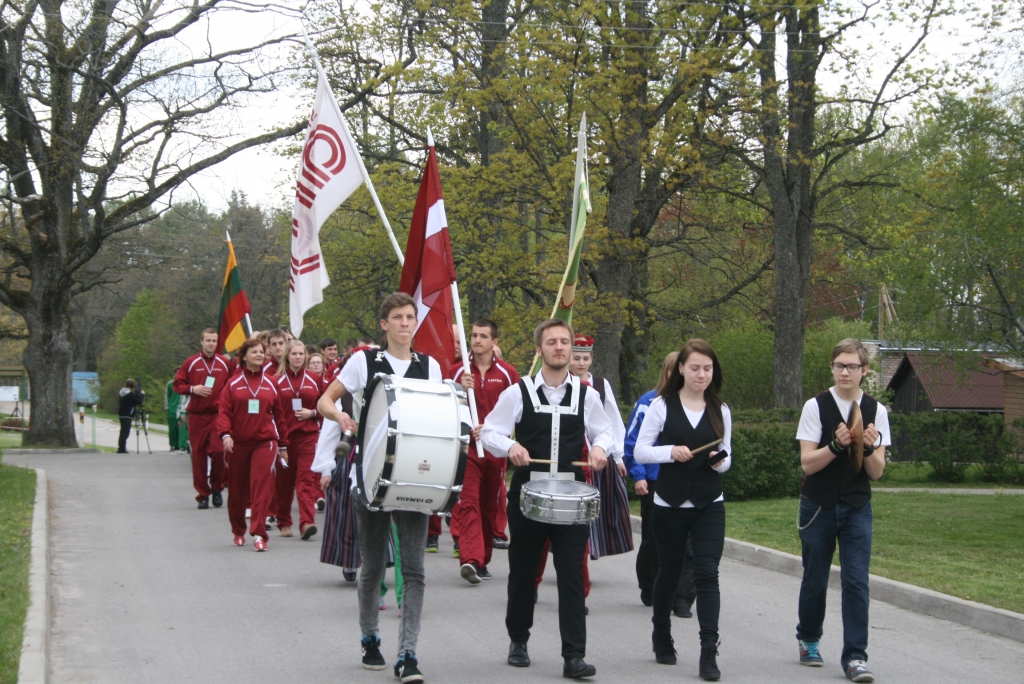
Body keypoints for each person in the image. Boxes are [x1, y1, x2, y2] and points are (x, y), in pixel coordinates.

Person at [316, 292, 448, 684]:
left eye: (410, 317)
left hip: (416, 477)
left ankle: (408, 653)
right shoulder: (364, 362)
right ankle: (369, 636)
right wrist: (339, 414)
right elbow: (325, 399)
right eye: (397, 317)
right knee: (373, 566)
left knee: (415, 568)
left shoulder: (431, 368)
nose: (406, 324)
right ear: (384, 324)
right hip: (369, 476)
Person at [480, 319, 614, 680]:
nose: (559, 348)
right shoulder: (518, 392)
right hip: (528, 497)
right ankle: (518, 639)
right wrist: (510, 445)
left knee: (571, 574)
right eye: (552, 342)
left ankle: (574, 656)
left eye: (565, 342)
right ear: (539, 350)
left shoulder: (587, 395)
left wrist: (601, 447)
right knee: (523, 573)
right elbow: (489, 431)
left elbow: (605, 430)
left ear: (572, 350)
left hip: (572, 499)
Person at [635, 338, 732, 681]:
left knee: (707, 574)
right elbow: (642, 451)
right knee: (670, 571)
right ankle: (661, 634)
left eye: (707, 369)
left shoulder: (721, 410)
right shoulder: (661, 405)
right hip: (669, 503)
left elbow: (726, 456)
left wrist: (720, 462)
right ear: (681, 369)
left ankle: (709, 651)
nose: (701, 375)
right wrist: (670, 452)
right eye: (695, 368)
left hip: (709, 503)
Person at [795, 338, 890, 683]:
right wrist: (836, 445)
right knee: (815, 577)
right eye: (839, 365)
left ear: (865, 371)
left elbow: (877, 471)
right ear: (832, 368)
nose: (845, 372)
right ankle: (808, 639)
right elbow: (807, 463)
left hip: (856, 507)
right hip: (818, 506)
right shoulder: (815, 406)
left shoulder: (876, 410)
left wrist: (868, 446)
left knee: (855, 582)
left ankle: (855, 657)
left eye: (852, 366)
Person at [448, 319, 520, 583]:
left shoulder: (508, 374)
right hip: (466, 449)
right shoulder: (457, 371)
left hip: (495, 449)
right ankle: (470, 559)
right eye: (474, 336)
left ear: (494, 342)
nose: (477, 340)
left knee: (490, 505)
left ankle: (484, 559)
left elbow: (518, 411)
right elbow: (445, 407)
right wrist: (458, 389)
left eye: (482, 336)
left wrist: (495, 432)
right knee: (468, 503)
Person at [624, 351, 696, 616]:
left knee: (688, 541)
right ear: (666, 373)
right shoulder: (648, 402)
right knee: (655, 539)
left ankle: (683, 597)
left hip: (689, 482)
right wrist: (639, 474)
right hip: (655, 481)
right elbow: (632, 442)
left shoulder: (698, 404)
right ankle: (650, 585)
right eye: (671, 373)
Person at [216, 338, 288, 550]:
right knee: (237, 490)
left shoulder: (272, 383)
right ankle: (238, 530)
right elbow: (224, 413)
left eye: (261, 352)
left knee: (261, 487)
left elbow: (280, 417)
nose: (259, 355)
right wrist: (225, 435)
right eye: (254, 352)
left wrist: (283, 446)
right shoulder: (233, 384)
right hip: (237, 443)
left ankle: (259, 533)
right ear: (244, 356)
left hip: (265, 442)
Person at [173, 329, 231, 508]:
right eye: (208, 340)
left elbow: (233, 384)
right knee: (198, 455)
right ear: (201, 342)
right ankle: (202, 494)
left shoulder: (224, 362)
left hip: (217, 415)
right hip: (197, 416)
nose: (211, 344)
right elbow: (178, 385)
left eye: (214, 341)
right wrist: (193, 389)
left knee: (219, 452)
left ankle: (217, 487)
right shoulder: (191, 362)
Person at [274, 340, 323, 540]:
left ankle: (306, 523)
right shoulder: (275, 380)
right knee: (284, 483)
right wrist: (278, 442)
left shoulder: (314, 379)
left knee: (306, 480)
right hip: (284, 439)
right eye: (293, 354)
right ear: (287, 356)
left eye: (301, 354)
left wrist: (311, 412)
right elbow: (270, 412)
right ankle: (284, 522)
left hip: (308, 437)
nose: (297, 357)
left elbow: (324, 406)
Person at [117, 378, 144, 453]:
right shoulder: (130, 395)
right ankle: (122, 449)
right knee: (125, 432)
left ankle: (121, 447)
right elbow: (139, 401)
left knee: (122, 431)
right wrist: (142, 394)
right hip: (128, 414)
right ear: (132, 386)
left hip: (122, 414)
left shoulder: (121, 393)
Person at [164, 380, 182, 451]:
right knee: (172, 428)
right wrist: (166, 406)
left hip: (182, 409)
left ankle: (182, 445)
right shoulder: (170, 384)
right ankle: (173, 444)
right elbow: (166, 395)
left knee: (182, 428)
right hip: (172, 408)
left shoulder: (186, 383)